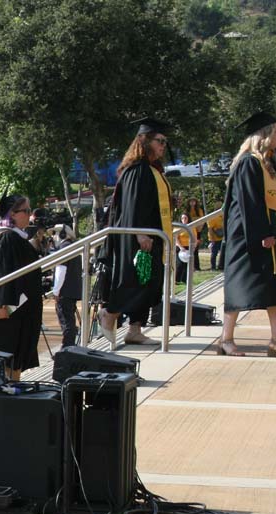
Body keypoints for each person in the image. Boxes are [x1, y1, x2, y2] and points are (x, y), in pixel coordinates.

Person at [218, 111, 276, 358]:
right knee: (240, 286)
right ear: (264, 135)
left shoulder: (270, 164)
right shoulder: (249, 163)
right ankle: (226, 339)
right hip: (248, 238)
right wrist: (263, 232)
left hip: (274, 237)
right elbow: (249, 202)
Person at [99, 118, 173, 349]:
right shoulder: (137, 170)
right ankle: (109, 313)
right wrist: (140, 234)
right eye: (159, 141)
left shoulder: (152, 170)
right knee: (136, 280)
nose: (163, 146)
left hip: (153, 238)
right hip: (137, 239)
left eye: (164, 142)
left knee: (150, 283)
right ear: (145, 141)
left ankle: (135, 330)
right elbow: (132, 206)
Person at [0, 195, 42, 380]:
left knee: (15, 355)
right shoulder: (5, 237)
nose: (29, 216)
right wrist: (2, 305)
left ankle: (14, 387)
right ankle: (4, 391)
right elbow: (0, 272)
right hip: (5, 308)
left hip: (16, 307)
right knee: (3, 353)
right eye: (26, 211)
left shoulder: (14, 237)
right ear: (12, 214)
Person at [50, 228, 84, 348]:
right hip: (72, 290)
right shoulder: (73, 247)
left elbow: (61, 271)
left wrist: (56, 291)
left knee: (66, 321)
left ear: (63, 234)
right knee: (69, 320)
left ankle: (67, 348)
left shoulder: (64, 248)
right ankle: (69, 346)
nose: (53, 237)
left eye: (55, 233)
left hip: (64, 291)